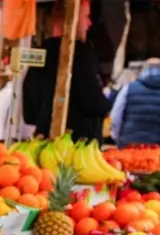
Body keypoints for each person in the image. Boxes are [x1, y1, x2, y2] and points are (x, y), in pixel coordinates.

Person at [23, 0, 111, 141]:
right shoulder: (81, 53)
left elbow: (29, 114)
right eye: (86, 17)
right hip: (77, 145)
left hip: (43, 141)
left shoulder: (40, 54)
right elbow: (93, 103)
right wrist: (108, 103)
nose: (89, 24)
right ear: (70, 19)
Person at [110, 59, 160, 145]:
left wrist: (116, 137)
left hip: (127, 144)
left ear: (144, 69)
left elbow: (116, 116)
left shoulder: (128, 88)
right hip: (155, 146)